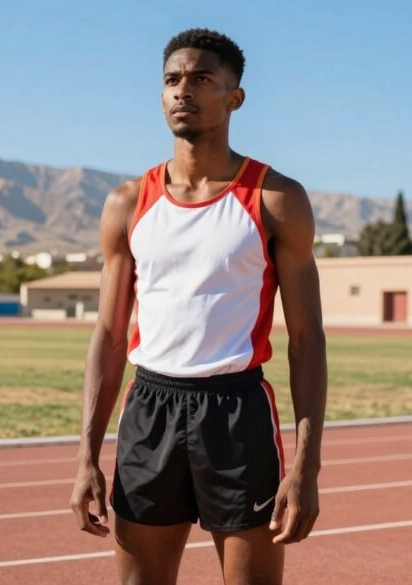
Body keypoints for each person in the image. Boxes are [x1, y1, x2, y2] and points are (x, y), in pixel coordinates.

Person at [70, 28, 328, 585]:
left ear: (235, 97)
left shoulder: (276, 199)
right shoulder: (126, 204)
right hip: (149, 410)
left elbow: (307, 339)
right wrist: (87, 454)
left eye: (201, 79)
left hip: (236, 413)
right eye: (172, 80)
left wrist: (307, 465)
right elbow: (111, 337)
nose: (182, 90)